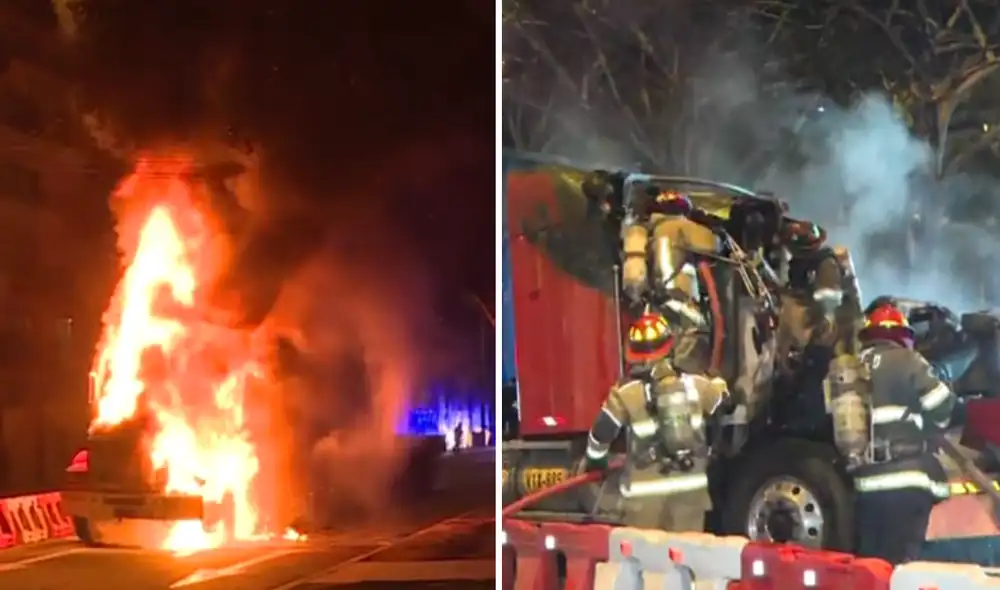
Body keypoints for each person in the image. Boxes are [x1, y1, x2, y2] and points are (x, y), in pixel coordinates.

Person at [583, 312, 730, 530]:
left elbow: (602, 432)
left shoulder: (625, 393)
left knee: (648, 559)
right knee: (686, 557)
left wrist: (595, 462)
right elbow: (725, 403)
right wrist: (717, 380)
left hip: (645, 503)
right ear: (670, 346)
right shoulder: (696, 385)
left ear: (632, 353)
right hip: (690, 496)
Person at [852, 302, 957, 564]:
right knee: (901, 565)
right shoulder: (907, 360)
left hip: (865, 483)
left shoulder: (850, 368)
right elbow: (942, 406)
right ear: (904, 336)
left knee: (872, 565)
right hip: (905, 481)